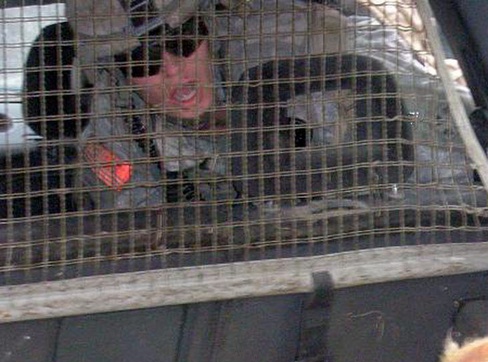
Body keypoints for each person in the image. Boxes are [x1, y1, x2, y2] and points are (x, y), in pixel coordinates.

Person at [66, 0, 451, 212]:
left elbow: (431, 160)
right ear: (118, 74)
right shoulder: (116, 132)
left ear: (206, 27)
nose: (172, 68)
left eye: (183, 40)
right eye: (143, 62)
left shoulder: (299, 50)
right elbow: (140, 243)